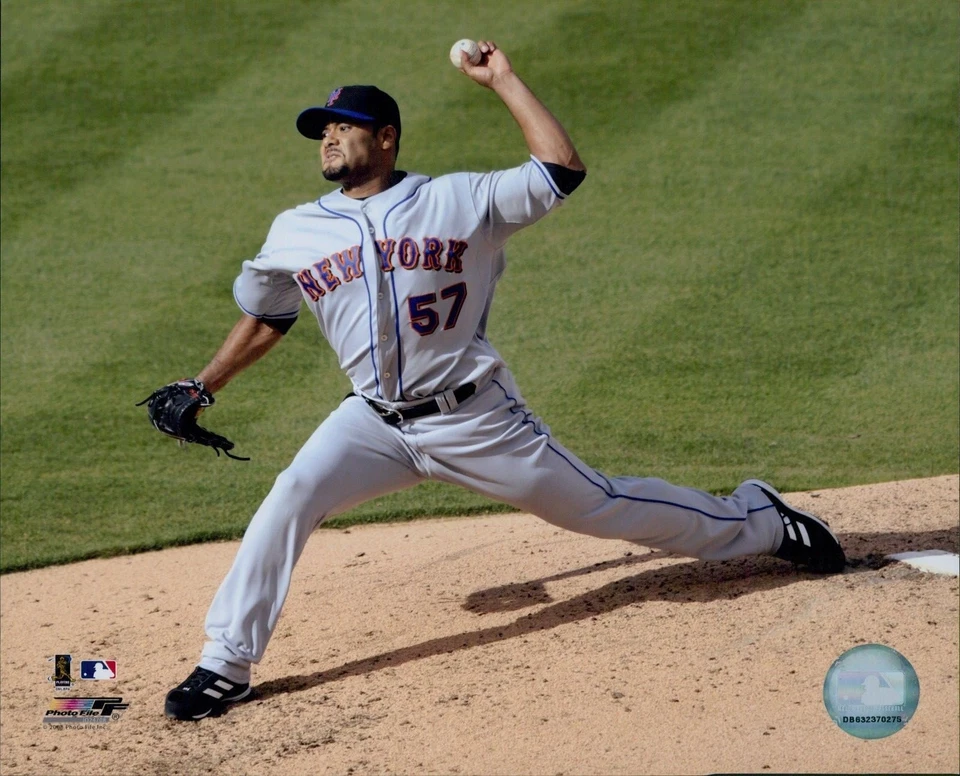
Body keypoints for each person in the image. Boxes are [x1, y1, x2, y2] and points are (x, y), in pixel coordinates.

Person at [157, 41, 846, 721]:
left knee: (598, 507)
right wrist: (203, 383)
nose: (329, 139)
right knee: (292, 495)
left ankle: (761, 522)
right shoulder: (297, 229)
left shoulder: (460, 199)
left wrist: (504, 81)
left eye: (345, 127)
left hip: (474, 418)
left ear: (387, 138)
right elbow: (266, 315)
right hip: (371, 422)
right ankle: (226, 663)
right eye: (323, 130)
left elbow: (559, 169)